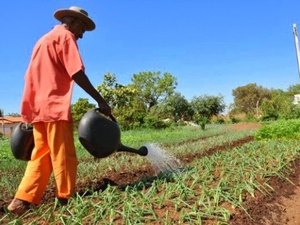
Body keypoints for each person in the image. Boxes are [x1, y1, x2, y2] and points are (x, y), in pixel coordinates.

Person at [7, 6, 112, 215]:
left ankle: (21, 200)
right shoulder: (65, 37)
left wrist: (28, 111)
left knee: (42, 154)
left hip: (37, 107)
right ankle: (66, 199)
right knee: (63, 155)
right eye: (82, 28)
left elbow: (30, 76)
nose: (81, 35)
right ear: (71, 21)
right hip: (54, 106)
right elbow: (76, 72)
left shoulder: (42, 41)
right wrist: (101, 101)